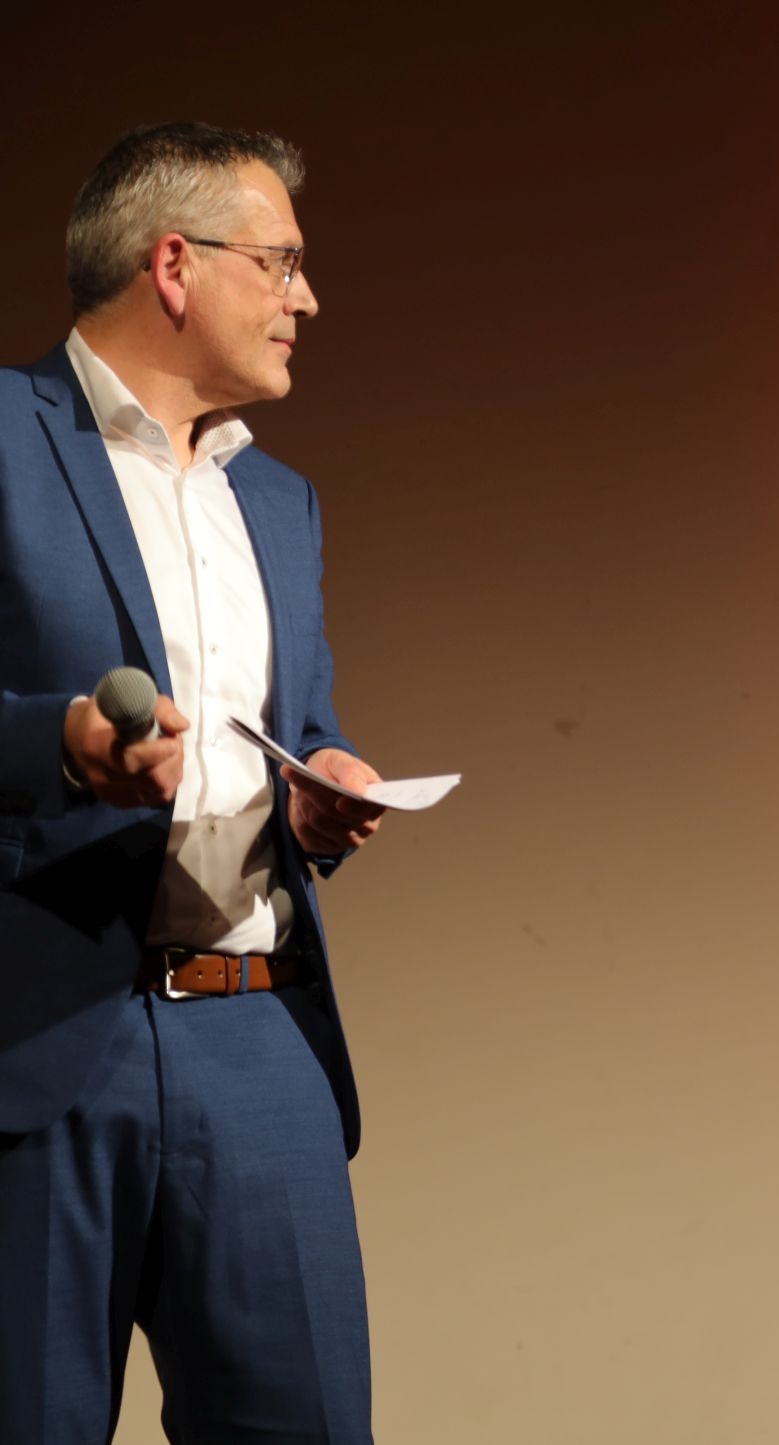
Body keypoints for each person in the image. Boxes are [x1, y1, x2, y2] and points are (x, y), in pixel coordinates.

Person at [0, 123, 388, 1442]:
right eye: (280, 262)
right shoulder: (6, 441)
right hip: (40, 1042)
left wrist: (320, 784)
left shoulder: (278, 501)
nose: (305, 298)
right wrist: (58, 745)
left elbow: (300, 725)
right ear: (174, 264)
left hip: (257, 1035)